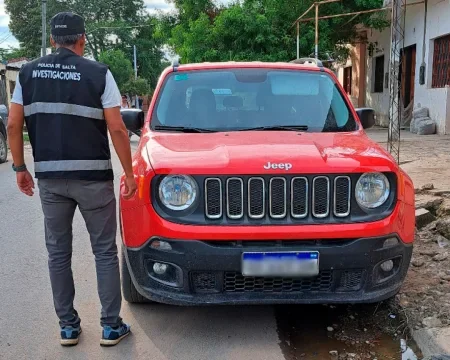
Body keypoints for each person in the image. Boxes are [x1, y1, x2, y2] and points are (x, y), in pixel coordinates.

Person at [7, 12, 137, 347]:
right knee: (105, 252)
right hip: (93, 179)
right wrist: (130, 173)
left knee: (58, 253)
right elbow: (118, 128)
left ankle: (68, 327)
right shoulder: (98, 73)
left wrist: (20, 168)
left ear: (53, 40)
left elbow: (12, 125)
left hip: (51, 179)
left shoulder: (27, 73)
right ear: (82, 40)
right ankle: (110, 326)